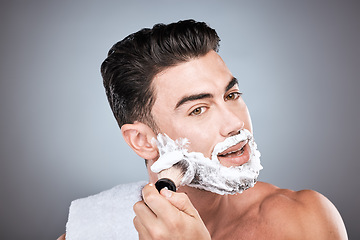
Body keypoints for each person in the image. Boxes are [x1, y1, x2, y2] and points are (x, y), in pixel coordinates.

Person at [59, 19, 347, 239]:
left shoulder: (305, 221)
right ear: (143, 141)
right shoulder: (89, 230)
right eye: (198, 109)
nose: (235, 124)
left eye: (232, 96)